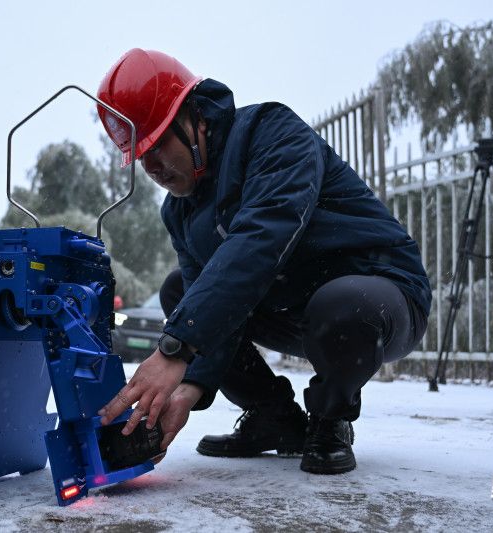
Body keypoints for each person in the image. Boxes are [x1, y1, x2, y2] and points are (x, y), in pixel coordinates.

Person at [96, 49, 431, 474]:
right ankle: (274, 418)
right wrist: (190, 388)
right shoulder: (178, 211)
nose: (152, 166)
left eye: (159, 142)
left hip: (381, 295)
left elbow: (262, 239)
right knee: (181, 290)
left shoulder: (272, 133)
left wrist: (173, 350)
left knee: (340, 303)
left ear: (195, 117)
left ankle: (331, 419)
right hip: (294, 306)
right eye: (140, 156)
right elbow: (210, 303)